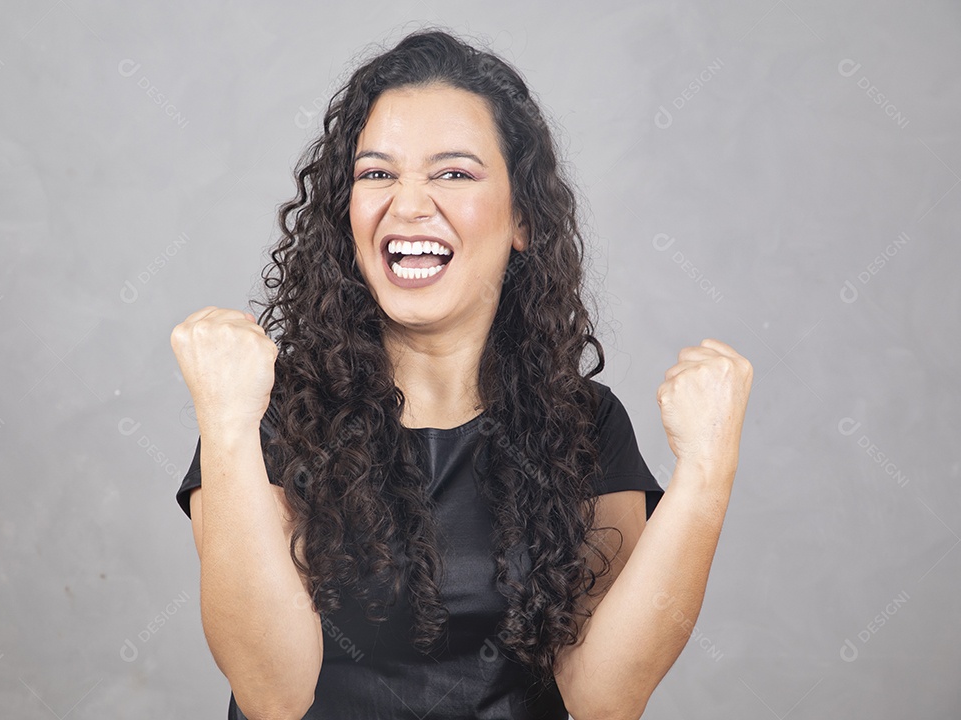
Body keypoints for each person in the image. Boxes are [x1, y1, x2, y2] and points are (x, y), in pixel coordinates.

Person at [170, 27, 753, 720]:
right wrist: (227, 425)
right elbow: (272, 693)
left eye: (453, 173)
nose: (410, 204)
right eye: (376, 173)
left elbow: (605, 697)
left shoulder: (584, 426)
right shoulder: (267, 413)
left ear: (523, 221)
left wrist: (708, 472)